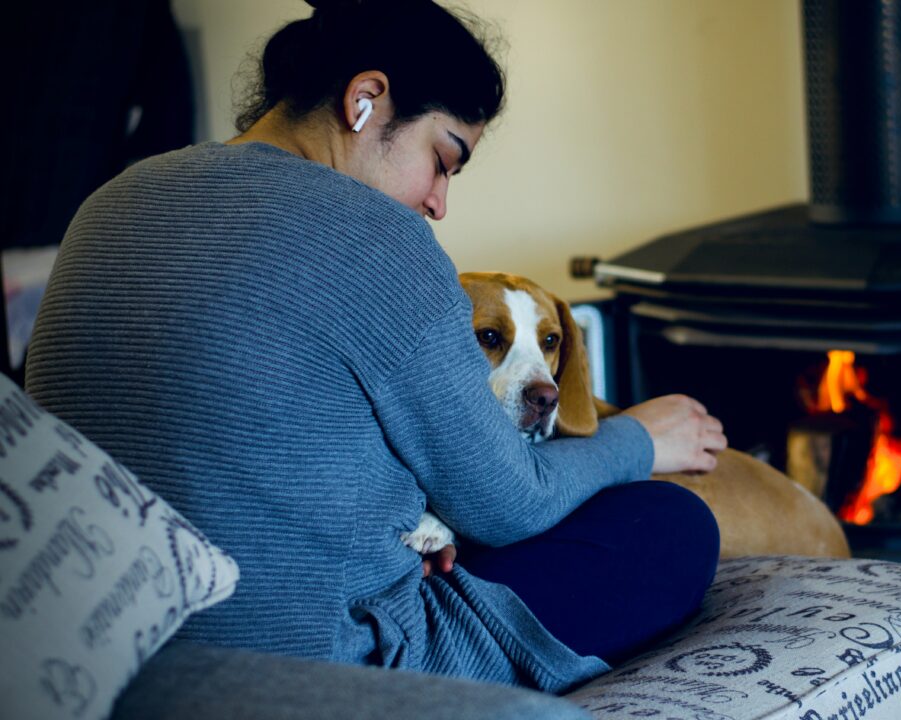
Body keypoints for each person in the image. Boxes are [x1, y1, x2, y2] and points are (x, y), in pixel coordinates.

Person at [23, 0, 725, 693]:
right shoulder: (380, 239)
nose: (439, 203)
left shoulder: (111, 202)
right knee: (667, 526)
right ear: (366, 100)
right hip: (326, 662)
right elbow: (511, 503)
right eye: (443, 159)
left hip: (117, 648)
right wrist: (638, 437)